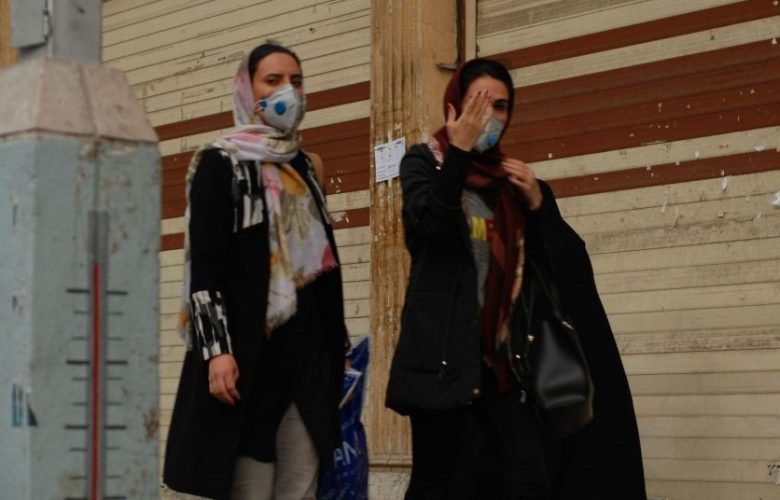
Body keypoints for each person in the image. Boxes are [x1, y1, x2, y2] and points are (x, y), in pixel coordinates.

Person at [385, 58, 646, 499]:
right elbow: (428, 231)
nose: (490, 115)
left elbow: (568, 271)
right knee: (440, 484)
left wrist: (540, 205)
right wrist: (458, 154)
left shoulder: (511, 183)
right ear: (454, 105)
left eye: (501, 106)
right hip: (445, 365)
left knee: (528, 480)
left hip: (506, 369)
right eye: (479, 102)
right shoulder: (423, 163)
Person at [163, 42, 349, 500]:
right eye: (273, 80)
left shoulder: (306, 166)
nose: (288, 91)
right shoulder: (220, 163)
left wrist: (337, 346)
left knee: (301, 485)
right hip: (248, 357)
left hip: (306, 359)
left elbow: (324, 265)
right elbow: (206, 267)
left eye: (296, 81)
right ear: (248, 89)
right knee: (251, 485)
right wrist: (217, 352)